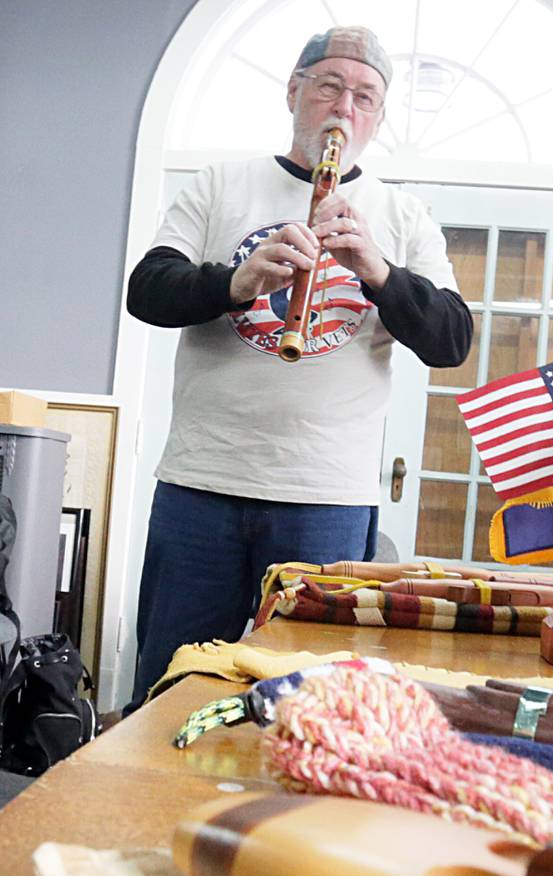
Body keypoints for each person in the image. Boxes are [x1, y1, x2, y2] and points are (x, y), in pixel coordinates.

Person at [125, 26, 471, 707]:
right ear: (294, 92)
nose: (345, 109)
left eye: (365, 97)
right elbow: (147, 289)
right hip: (203, 481)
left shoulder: (402, 216)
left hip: (326, 496)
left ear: (377, 117)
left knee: (301, 698)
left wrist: (376, 270)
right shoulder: (222, 184)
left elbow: (451, 339)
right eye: (330, 87)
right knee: (173, 683)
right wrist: (235, 282)